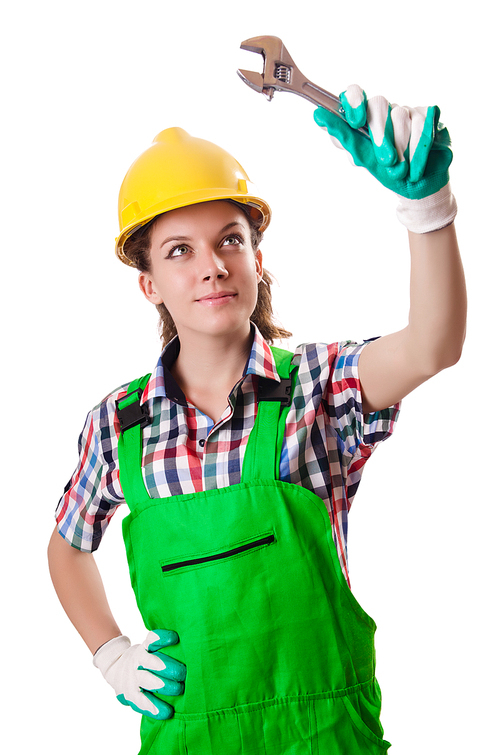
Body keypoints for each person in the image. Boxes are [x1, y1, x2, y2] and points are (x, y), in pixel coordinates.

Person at [48, 85, 466, 754]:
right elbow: (68, 546)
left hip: (323, 734)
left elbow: (432, 346)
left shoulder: (320, 389)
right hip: (188, 736)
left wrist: (427, 211)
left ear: (257, 257)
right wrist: (109, 652)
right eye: (179, 250)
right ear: (149, 283)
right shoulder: (117, 426)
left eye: (230, 240)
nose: (212, 266)